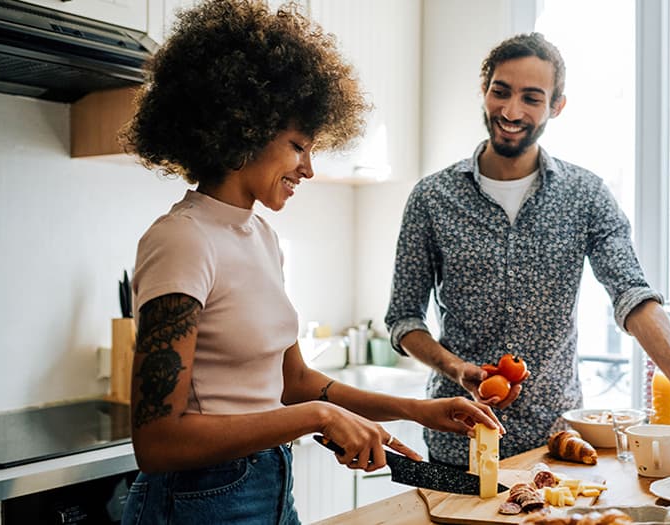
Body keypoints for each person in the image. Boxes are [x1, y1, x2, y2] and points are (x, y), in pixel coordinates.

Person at [118, 2, 503, 523]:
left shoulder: (263, 238)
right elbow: (158, 443)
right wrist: (318, 416)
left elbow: (293, 380)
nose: (309, 168)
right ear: (243, 129)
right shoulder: (183, 241)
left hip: (269, 486)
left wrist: (417, 412)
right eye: (298, 146)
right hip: (198, 500)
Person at [384, 32, 670, 469]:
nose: (511, 111)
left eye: (531, 98)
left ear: (556, 105)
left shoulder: (585, 195)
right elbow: (404, 319)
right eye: (500, 92)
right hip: (458, 439)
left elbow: (632, 294)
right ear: (484, 91)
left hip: (556, 446)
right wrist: (456, 369)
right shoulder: (433, 197)